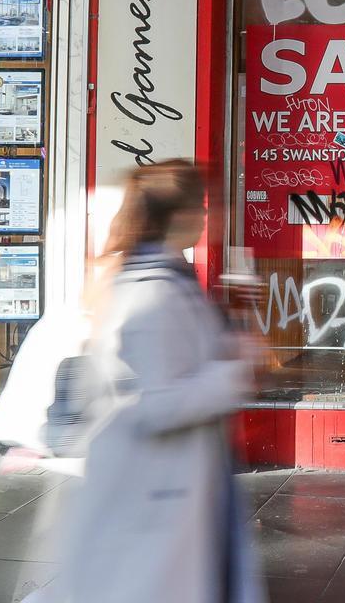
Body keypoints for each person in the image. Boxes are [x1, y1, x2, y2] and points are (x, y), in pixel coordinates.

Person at [55, 160, 266, 603]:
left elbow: (184, 356)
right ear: (181, 216)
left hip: (168, 486)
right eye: (203, 208)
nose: (209, 217)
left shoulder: (167, 277)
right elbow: (157, 403)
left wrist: (231, 325)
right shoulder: (153, 291)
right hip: (152, 494)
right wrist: (236, 371)